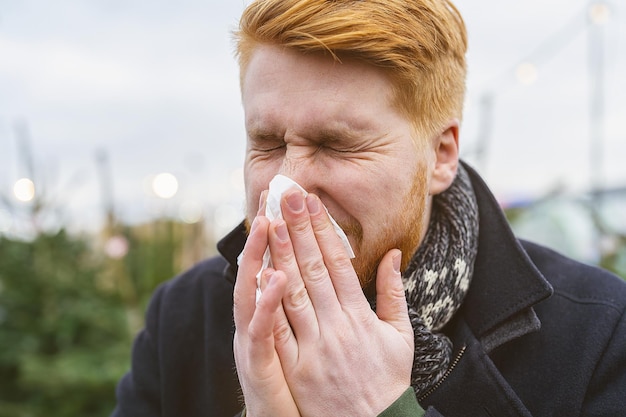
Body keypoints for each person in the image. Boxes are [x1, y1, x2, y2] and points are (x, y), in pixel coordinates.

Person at [112, 0, 626, 415]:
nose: (287, 184)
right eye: (267, 143)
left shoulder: (598, 337)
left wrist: (382, 409)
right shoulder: (183, 316)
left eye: (336, 145)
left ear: (441, 154)